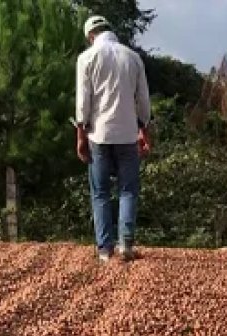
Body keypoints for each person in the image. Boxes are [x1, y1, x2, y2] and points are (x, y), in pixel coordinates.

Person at [75, 15, 152, 263]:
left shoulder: (86, 58)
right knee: (128, 190)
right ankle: (126, 244)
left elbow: (83, 102)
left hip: (98, 134)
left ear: (91, 36)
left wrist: (80, 136)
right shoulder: (133, 57)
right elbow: (143, 100)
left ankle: (105, 250)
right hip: (128, 133)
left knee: (100, 193)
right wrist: (144, 130)